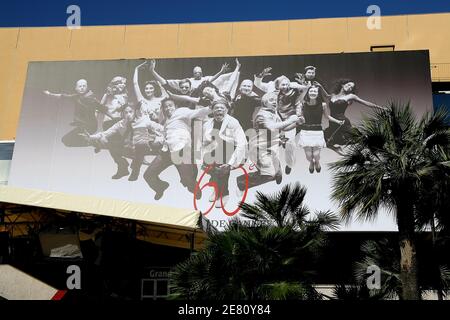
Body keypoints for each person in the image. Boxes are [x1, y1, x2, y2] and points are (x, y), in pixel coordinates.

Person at [143, 98, 212, 200]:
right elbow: (164, 134)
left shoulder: (182, 112)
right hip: (166, 152)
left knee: (188, 180)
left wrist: (211, 107)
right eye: (165, 107)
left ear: (175, 106)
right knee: (148, 175)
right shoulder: (166, 122)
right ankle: (160, 187)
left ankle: (194, 188)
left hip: (181, 151)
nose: (168, 108)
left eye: (170, 105)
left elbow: (198, 112)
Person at [83, 104, 164, 181]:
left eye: (130, 112)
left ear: (135, 112)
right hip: (129, 148)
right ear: (123, 114)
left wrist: (162, 137)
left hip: (147, 146)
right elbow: (106, 133)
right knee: (111, 145)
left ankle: (136, 169)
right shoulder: (120, 124)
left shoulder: (143, 120)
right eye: (126, 112)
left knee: (144, 147)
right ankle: (123, 168)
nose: (128, 114)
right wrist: (91, 137)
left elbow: (160, 128)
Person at [236, 92, 298, 192]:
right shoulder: (262, 115)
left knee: (274, 172)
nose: (275, 102)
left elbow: (284, 127)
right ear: (265, 102)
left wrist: (297, 123)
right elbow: (272, 127)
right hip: (259, 149)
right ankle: (241, 181)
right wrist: (290, 120)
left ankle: (276, 170)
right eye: (271, 100)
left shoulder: (274, 113)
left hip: (271, 147)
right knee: (269, 175)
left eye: (276, 100)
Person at [202, 100, 247, 208]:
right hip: (214, 149)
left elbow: (241, 144)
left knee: (222, 171)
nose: (219, 110)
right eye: (216, 108)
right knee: (211, 169)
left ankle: (224, 194)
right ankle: (217, 190)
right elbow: (204, 142)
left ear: (227, 110)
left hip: (233, 150)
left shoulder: (233, 122)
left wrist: (230, 163)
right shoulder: (208, 123)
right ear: (212, 110)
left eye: (222, 108)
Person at [324, 79, 386, 155]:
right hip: (332, 122)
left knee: (359, 137)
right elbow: (325, 94)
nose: (350, 87)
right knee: (323, 139)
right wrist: (319, 86)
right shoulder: (333, 95)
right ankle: (336, 148)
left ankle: (375, 148)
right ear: (342, 85)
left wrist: (381, 108)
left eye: (351, 87)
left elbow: (365, 103)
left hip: (342, 122)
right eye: (348, 84)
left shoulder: (350, 96)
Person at [43, 79, 108, 147]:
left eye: (84, 86)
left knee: (67, 140)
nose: (82, 88)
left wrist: (116, 119)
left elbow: (104, 109)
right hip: (82, 126)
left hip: (90, 126)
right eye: (80, 86)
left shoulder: (91, 99)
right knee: (65, 141)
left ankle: (95, 142)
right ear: (76, 88)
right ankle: (93, 142)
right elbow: (63, 96)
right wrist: (50, 94)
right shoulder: (76, 97)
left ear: (87, 87)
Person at [297, 86, 344, 173]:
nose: (313, 93)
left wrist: (338, 121)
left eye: (315, 91)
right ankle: (311, 162)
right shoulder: (303, 104)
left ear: (318, 94)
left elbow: (327, 116)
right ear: (308, 93)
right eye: (311, 91)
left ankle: (317, 162)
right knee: (309, 156)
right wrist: (299, 116)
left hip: (317, 132)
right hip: (305, 132)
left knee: (316, 154)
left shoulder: (323, 105)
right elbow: (300, 116)